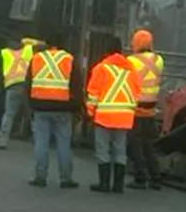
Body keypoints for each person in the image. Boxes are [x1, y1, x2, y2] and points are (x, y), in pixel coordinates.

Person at [23, 33, 78, 188]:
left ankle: (40, 177)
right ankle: (66, 178)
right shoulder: (69, 59)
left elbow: (28, 84)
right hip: (63, 108)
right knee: (63, 144)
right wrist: (76, 108)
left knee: (41, 143)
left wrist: (29, 107)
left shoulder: (37, 59)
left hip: (40, 107)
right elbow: (76, 86)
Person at [86, 47, 141, 193]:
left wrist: (90, 112)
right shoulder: (131, 71)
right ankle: (118, 186)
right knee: (120, 149)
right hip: (124, 116)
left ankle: (104, 184)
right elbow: (136, 93)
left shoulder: (101, 68)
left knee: (103, 149)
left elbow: (93, 93)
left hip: (104, 115)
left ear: (106, 53)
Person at [126, 29, 165, 190]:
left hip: (135, 108)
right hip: (151, 108)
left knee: (135, 144)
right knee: (150, 145)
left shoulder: (130, 61)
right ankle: (156, 178)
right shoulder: (159, 60)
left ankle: (140, 177)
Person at [0, 36, 41, 149]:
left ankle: (2, 141)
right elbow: (44, 45)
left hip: (12, 86)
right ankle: (38, 141)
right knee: (31, 114)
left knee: (9, 114)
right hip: (27, 87)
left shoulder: (5, 53)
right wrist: (31, 41)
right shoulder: (28, 49)